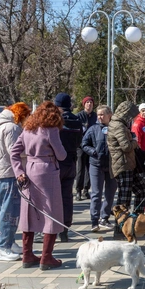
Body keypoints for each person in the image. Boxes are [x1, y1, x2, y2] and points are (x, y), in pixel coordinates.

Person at [10, 101, 67, 270]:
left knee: (29, 211)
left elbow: (14, 152)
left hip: (29, 170)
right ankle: (46, 257)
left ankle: (27, 255)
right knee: (52, 212)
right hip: (47, 171)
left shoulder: (27, 129)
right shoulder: (51, 130)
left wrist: (19, 172)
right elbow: (62, 155)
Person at [0, 102, 31, 261]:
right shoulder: (12, 128)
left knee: (7, 210)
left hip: (2, 172)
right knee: (9, 212)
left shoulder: (0, 126)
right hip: (9, 173)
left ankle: (10, 242)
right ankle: (3, 247)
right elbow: (16, 151)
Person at [82, 105, 117, 232]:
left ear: (110, 115)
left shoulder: (114, 128)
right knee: (96, 193)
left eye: (102, 114)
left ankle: (105, 217)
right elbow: (84, 144)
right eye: (98, 114)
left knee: (110, 192)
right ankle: (94, 220)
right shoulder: (93, 129)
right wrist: (94, 152)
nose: (100, 117)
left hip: (112, 166)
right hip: (96, 165)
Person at [54, 93, 83, 242]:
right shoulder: (77, 120)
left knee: (53, 198)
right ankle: (65, 230)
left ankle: (53, 229)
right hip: (71, 161)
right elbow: (80, 141)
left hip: (57, 163)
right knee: (67, 197)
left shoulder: (56, 120)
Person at [108, 101, 139, 220]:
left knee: (139, 190)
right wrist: (135, 141)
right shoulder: (118, 126)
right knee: (124, 197)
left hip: (127, 163)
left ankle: (136, 220)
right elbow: (126, 146)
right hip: (122, 164)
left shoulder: (119, 124)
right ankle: (120, 226)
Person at [75, 96, 97, 201]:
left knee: (90, 169)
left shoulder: (95, 116)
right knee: (80, 169)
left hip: (92, 147)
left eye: (91, 102)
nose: (89, 104)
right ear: (84, 104)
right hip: (80, 146)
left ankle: (86, 190)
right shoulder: (79, 116)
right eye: (87, 102)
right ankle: (78, 190)